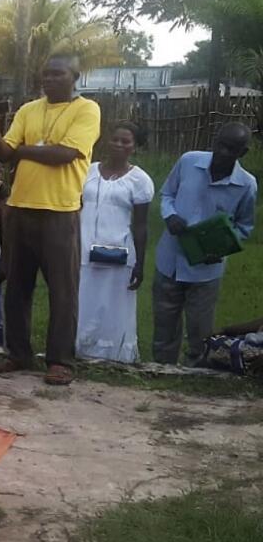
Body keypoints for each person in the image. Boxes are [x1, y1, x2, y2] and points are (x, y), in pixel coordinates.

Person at [0, 54, 101, 386]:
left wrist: (22, 150)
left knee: (63, 290)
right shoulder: (28, 110)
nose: (49, 79)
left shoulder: (86, 110)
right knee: (17, 287)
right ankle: (18, 353)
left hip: (60, 212)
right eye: (46, 74)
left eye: (58, 74)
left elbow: (66, 154)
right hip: (20, 209)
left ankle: (60, 360)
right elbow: (4, 154)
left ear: (75, 75)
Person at [152, 122, 257, 365]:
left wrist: (221, 248)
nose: (223, 152)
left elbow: (244, 226)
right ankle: (161, 368)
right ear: (214, 141)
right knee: (164, 321)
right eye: (220, 145)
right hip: (170, 259)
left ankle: (196, 371)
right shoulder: (189, 161)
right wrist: (170, 216)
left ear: (243, 153)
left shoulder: (246, 184)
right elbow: (167, 194)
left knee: (200, 329)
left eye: (231, 149)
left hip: (206, 269)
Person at [76, 121, 155, 363]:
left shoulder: (140, 180)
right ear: (107, 141)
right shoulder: (87, 171)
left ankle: (114, 355)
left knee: (113, 305)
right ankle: (79, 350)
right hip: (83, 248)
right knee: (83, 301)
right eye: (115, 139)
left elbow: (140, 225)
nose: (119, 145)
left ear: (134, 147)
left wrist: (140, 264)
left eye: (126, 141)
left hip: (119, 252)